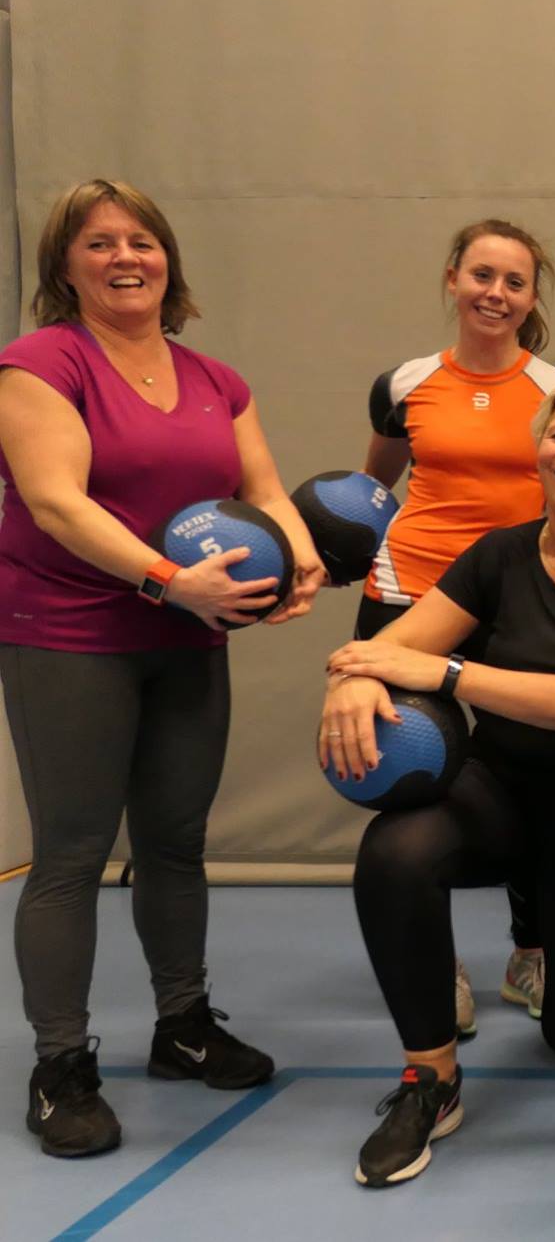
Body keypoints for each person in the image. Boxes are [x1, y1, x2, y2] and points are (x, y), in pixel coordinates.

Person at [0, 179, 323, 1157]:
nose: (125, 258)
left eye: (141, 240)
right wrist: (168, 581)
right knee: (72, 851)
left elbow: (263, 488)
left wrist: (298, 555)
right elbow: (55, 502)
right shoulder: (40, 363)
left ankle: (182, 1025)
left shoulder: (215, 378)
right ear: (66, 265)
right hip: (69, 633)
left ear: (168, 259)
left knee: (175, 841)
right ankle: (60, 1066)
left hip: (187, 636)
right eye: (99, 243)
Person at [324, 371, 555, 1188]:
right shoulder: (500, 553)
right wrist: (353, 676)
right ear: (539, 450)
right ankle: (431, 1078)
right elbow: (390, 647)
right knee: (395, 851)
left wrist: (446, 672)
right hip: (501, 792)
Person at [359, 219, 555, 1030]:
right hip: (407, 597)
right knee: (411, 780)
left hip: (515, 599)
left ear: (532, 297)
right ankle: (435, 963)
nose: (496, 293)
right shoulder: (405, 383)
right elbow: (373, 490)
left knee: (532, 775)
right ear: (453, 278)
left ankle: (531, 952)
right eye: (482, 275)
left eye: (515, 281)